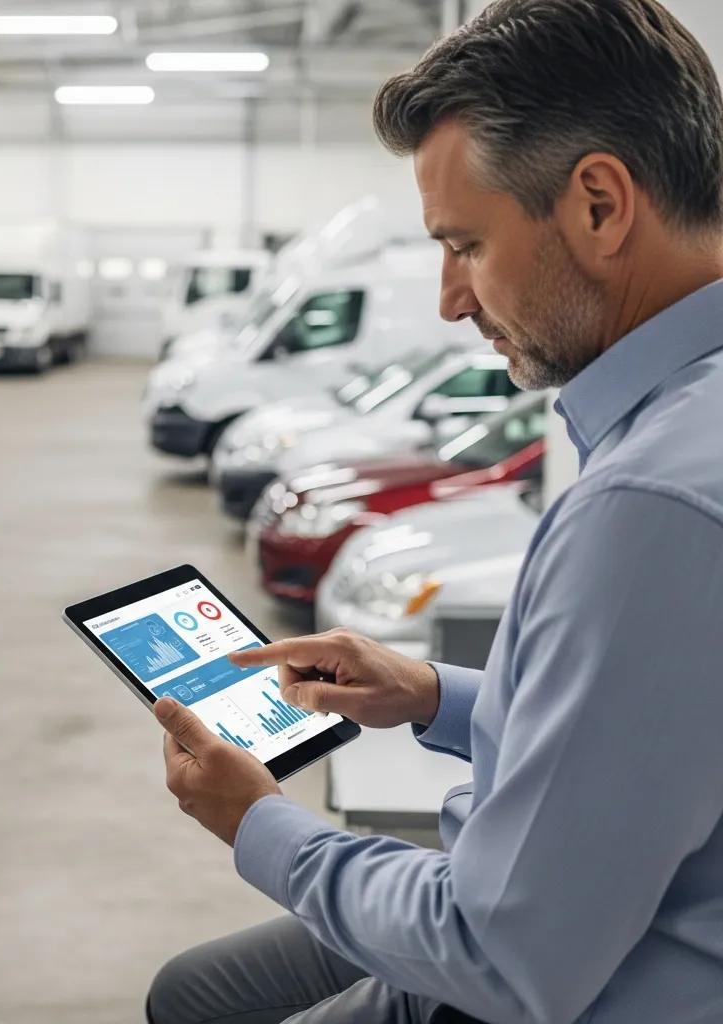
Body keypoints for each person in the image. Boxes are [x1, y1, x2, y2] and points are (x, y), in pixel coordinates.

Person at [144, 1, 723, 1021]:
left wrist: (257, 823)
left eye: (464, 244)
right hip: (613, 907)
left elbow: (501, 954)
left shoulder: (651, 504)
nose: (451, 299)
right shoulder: (684, 422)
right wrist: (432, 695)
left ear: (598, 204)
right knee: (196, 992)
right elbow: (657, 731)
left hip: (595, 976)